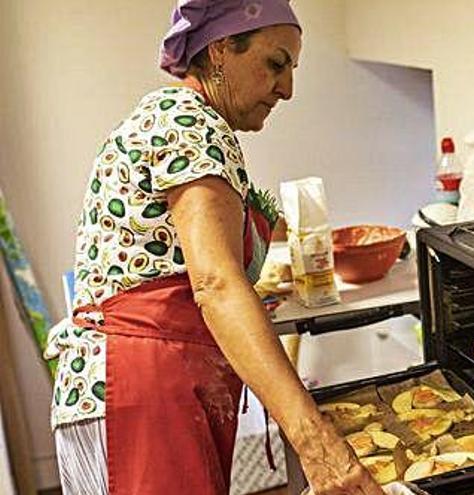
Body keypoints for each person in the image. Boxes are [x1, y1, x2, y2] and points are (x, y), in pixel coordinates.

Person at [43, 1, 384, 494]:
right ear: (222, 49)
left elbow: (183, 269)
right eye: (275, 63)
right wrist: (315, 441)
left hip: (149, 385)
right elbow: (215, 283)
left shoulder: (178, 119)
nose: (287, 89)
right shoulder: (187, 122)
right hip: (142, 385)